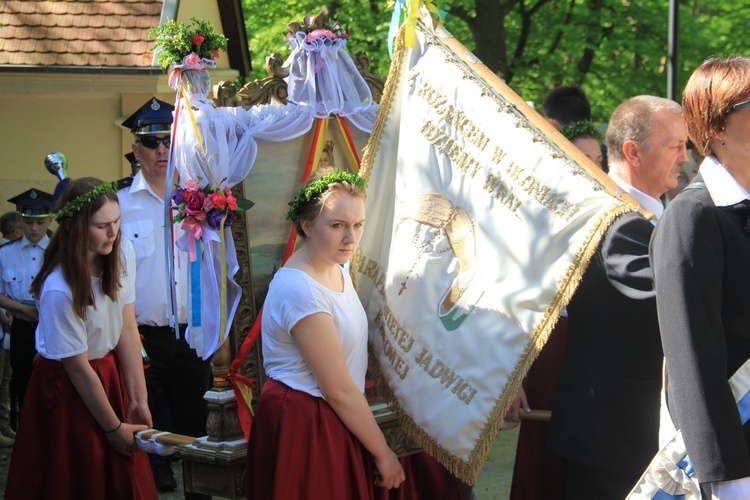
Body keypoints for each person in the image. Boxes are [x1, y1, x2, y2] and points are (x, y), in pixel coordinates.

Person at [547, 95, 688, 499]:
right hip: (613, 440)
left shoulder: (648, 217)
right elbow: (669, 300)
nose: (684, 156)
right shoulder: (617, 221)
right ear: (633, 152)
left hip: (628, 437)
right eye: (674, 145)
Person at [246, 169, 406, 499]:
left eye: (357, 225)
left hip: (333, 415)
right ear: (306, 225)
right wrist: (384, 453)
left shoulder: (336, 268)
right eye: (337, 226)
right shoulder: (300, 289)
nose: (351, 237)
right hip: (304, 423)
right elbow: (338, 389)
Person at [4, 178, 157, 499]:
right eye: (102, 226)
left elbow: (127, 328)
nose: (114, 233)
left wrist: (137, 399)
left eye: (117, 222)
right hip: (69, 386)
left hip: (108, 372)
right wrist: (113, 428)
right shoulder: (61, 289)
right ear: (74, 227)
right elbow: (77, 369)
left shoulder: (121, 251)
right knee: (76, 476)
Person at [650, 56, 750, 498]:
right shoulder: (692, 217)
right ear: (716, 127)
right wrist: (727, 479)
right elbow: (693, 362)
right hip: (736, 454)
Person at [118, 97, 211, 495]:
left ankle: (198, 487)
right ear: (135, 150)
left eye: (167, 141)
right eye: (151, 142)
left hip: (194, 333)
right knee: (148, 422)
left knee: (196, 422)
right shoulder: (120, 204)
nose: (160, 150)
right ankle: (156, 484)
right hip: (144, 335)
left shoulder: (199, 199)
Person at [0, 189, 54, 425]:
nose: (34, 228)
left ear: (51, 219)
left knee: (52, 385)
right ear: (19, 220)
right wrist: (23, 310)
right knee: (22, 382)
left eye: (40, 222)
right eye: (28, 222)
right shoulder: (5, 254)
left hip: (53, 328)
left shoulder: (58, 252)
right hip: (22, 327)